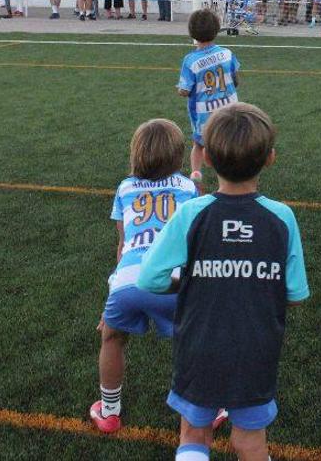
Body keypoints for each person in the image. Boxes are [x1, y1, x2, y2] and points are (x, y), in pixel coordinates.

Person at [137, 103, 309, 461]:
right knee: (249, 440)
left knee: (194, 431)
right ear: (270, 158)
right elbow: (294, 295)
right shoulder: (281, 218)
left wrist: (185, 283)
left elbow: (149, 278)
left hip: (199, 345)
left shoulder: (192, 212)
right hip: (256, 348)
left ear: (208, 159)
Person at [86, 119, 202, 434]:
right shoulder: (189, 188)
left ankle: (109, 412)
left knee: (111, 337)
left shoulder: (124, 189)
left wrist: (111, 296)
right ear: (178, 157)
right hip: (173, 282)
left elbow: (123, 247)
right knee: (194, 338)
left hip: (128, 282)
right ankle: (210, 407)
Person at [177, 9, 240, 184]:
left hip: (205, 111)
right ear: (217, 29)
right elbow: (235, 80)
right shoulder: (227, 53)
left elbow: (185, 90)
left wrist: (181, 90)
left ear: (192, 33)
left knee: (199, 144)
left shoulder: (190, 60)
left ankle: (196, 173)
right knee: (229, 140)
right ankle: (234, 172)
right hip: (230, 108)